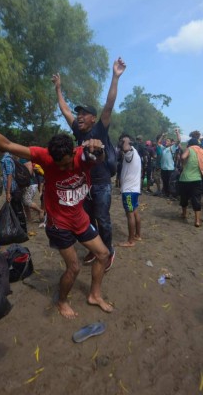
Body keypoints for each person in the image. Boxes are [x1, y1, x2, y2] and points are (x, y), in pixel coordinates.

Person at [0, 110, 114, 319]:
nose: (64, 168)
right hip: (58, 224)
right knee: (74, 268)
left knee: (104, 254)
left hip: (80, 219)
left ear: (74, 152)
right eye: (59, 165)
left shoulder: (84, 154)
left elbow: (103, 158)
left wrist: (100, 148)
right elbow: (6, 144)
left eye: (68, 163)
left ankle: (94, 295)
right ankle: (61, 301)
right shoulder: (44, 157)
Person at [51, 57, 126, 268]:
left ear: (93, 118)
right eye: (79, 114)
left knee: (103, 220)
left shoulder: (99, 129)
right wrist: (59, 88)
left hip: (101, 184)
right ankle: (95, 250)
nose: (80, 116)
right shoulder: (77, 130)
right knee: (87, 221)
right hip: (85, 185)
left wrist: (115, 77)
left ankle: (109, 252)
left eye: (84, 114)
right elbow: (65, 109)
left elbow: (109, 105)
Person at [117, 134, 142, 247]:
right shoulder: (135, 152)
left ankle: (130, 241)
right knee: (135, 212)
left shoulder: (130, 152)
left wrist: (125, 141)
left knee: (130, 214)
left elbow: (126, 148)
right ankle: (138, 235)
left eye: (122, 141)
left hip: (129, 190)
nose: (121, 144)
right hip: (134, 189)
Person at [178, 138, 203, 227]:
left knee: (184, 197)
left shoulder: (190, 149)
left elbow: (183, 157)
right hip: (197, 179)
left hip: (185, 178)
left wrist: (183, 163)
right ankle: (197, 221)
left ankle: (184, 214)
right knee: (196, 199)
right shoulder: (202, 151)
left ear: (190, 144)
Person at [1, 151, 28, 233]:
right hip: (15, 188)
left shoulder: (6, 159)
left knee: (18, 209)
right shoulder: (10, 158)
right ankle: (19, 229)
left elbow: (9, 175)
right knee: (16, 209)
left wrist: (8, 192)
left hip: (13, 189)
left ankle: (22, 230)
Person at [159, 128, 181, 198]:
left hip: (170, 168)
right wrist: (162, 136)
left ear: (171, 143)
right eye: (166, 141)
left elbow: (179, 140)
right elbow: (159, 143)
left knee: (170, 182)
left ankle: (172, 194)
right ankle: (166, 193)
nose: (166, 142)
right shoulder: (163, 148)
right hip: (163, 168)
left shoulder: (172, 148)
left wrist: (177, 133)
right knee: (164, 182)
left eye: (168, 141)